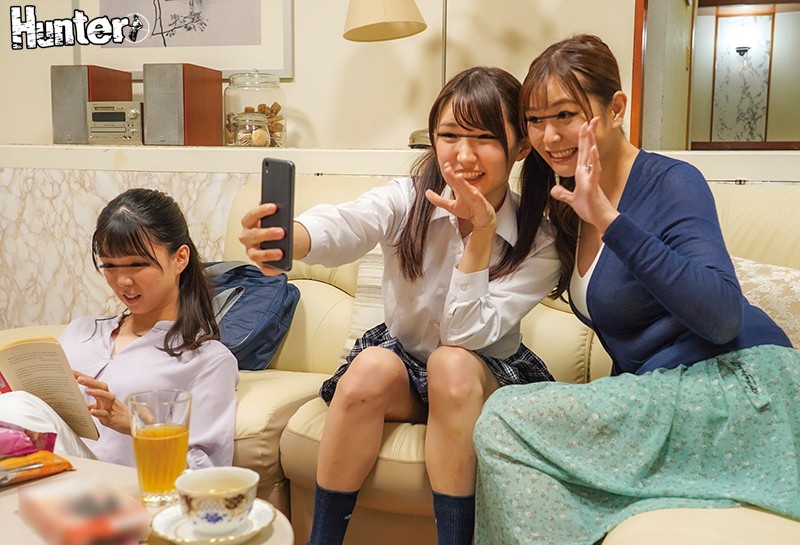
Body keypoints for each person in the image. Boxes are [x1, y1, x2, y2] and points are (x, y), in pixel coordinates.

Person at [473, 34, 800, 545]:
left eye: (565, 115)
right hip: (668, 395)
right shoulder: (565, 201)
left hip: (741, 388)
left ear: (616, 108)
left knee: (505, 417)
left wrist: (610, 219)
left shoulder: (672, 181)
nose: (548, 135)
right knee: (517, 424)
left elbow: (722, 317)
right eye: (534, 120)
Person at [239, 66, 561, 545]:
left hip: (485, 374)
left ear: (520, 147)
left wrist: (482, 234)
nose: (463, 155)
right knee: (369, 367)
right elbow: (347, 224)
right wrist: (290, 237)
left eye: (484, 138)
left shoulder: (540, 239)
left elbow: (466, 336)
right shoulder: (408, 198)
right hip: (409, 365)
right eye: (449, 136)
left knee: (451, 364)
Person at [0, 188, 238, 469]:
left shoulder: (208, 360)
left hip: (116, 483)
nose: (122, 280)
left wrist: (137, 425)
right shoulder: (81, 331)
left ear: (180, 258)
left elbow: (207, 473)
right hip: (37, 472)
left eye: (137, 264)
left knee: (16, 407)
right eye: (110, 265)